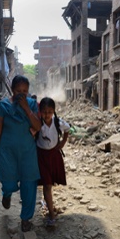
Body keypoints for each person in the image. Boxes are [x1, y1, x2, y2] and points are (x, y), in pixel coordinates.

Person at [0, 75, 42, 232]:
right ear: (12, 90)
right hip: (7, 151)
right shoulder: (3, 106)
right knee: (8, 179)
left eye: (25, 91)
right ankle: (7, 193)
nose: (21, 94)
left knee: (29, 183)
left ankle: (25, 218)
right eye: (18, 91)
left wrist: (26, 108)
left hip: (27, 151)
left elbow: (38, 126)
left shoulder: (32, 104)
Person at [36, 97, 70, 227]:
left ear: (54, 111)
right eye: (44, 111)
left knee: (50, 183)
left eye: (50, 111)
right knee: (47, 185)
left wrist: (62, 143)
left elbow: (67, 129)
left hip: (54, 156)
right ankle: (51, 214)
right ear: (40, 112)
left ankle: (50, 207)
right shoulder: (38, 123)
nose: (47, 114)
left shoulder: (57, 122)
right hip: (42, 157)